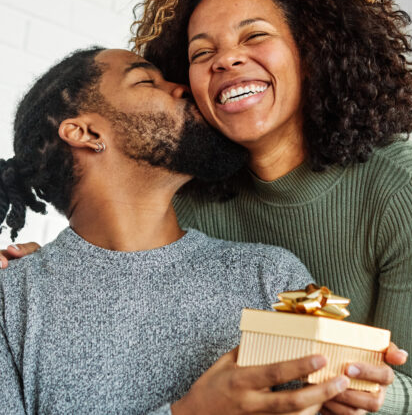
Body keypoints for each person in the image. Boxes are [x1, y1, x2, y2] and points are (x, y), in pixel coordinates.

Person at [127, 0, 412, 414]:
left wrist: (380, 397)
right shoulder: (183, 196)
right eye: (202, 53)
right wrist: (40, 267)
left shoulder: (401, 189)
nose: (225, 59)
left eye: (254, 35)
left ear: (312, 50)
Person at [0, 46, 358, 414]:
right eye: (145, 80)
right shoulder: (9, 300)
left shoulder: (276, 274)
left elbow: (343, 383)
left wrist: (352, 388)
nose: (181, 88)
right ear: (86, 132)